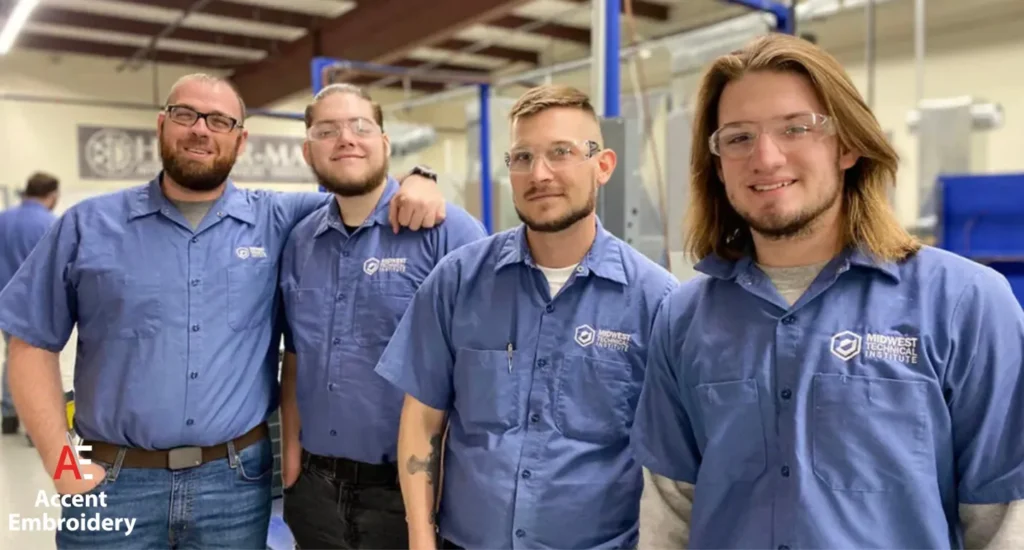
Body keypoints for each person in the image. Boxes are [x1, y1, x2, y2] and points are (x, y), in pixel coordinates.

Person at [0, 73, 447, 549]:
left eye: (219, 120)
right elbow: (29, 345)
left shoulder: (278, 218)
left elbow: (358, 189)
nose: (201, 130)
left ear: (240, 138)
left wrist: (420, 179)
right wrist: (59, 462)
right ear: (161, 124)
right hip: (113, 483)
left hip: (233, 487)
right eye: (185, 114)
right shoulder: (88, 225)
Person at [631, 33, 1024, 550]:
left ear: (848, 145)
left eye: (796, 128)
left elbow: (1003, 521)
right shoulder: (683, 320)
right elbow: (669, 513)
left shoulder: (966, 304)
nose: (766, 158)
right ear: (718, 163)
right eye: (738, 137)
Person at [374, 84, 679, 550]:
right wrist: (420, 537)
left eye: (561, 152)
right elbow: (422, 420)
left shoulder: (656, 301)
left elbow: (670, 464)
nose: (540, 174)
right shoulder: (458, 281)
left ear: (603, 166)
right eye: (522, 158)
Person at [277, 83, 487, 549]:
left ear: (385, 144)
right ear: (309, 152)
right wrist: (291, 451)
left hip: (413, 495)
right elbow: (296, 353)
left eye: (360, 126)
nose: (346, 138)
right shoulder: (299, 241)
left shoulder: (448, 232)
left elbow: (485, 368)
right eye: (327, 130)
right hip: (314, 491)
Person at [0, 172, 59, 436]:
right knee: (38, 362)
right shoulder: (51, 224)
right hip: (37, 304)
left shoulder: (3, 220)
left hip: (4, 303)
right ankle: (33, 426)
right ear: (52, 196)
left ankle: (9, 415)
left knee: (14, 355)